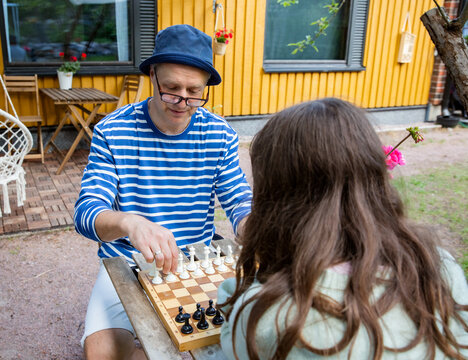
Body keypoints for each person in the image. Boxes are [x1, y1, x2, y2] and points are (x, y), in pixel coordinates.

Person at [217, 98, 468, 359]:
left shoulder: (265, 312)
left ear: (275, 198)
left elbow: (233, 343)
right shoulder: (442, 268)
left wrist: (236, 298)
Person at [74, 24, 252, 359]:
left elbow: (240, 199)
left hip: (198, 262)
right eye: (171, 88)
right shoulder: (113, 130)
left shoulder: (220, 134)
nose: (182, 102)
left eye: (194, 91)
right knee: (102, 354)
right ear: (152, 76)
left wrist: (251, 224)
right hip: (125, 264)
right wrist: (131, 223)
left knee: (246, 343)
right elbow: (86, 213)